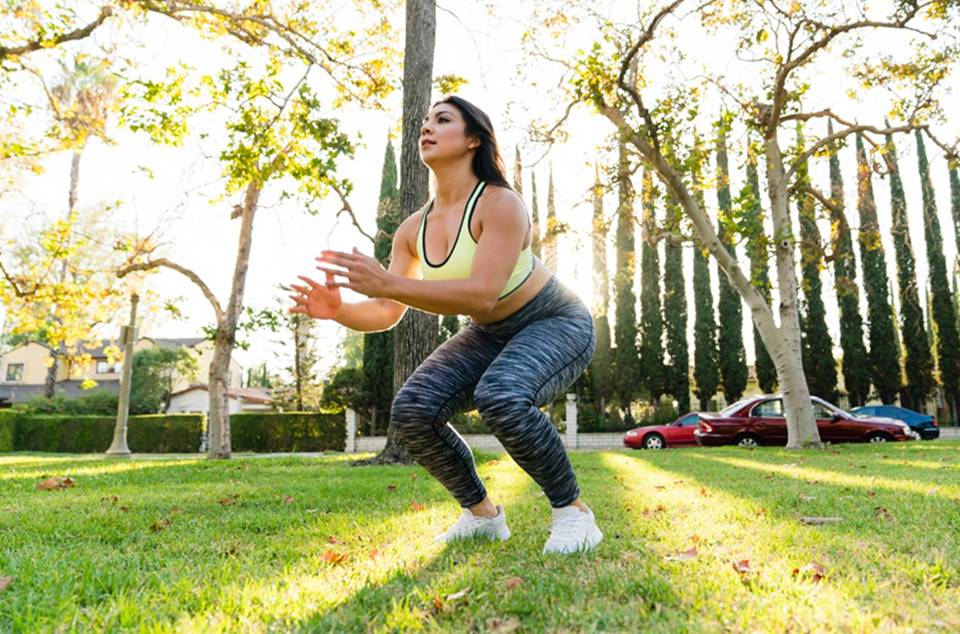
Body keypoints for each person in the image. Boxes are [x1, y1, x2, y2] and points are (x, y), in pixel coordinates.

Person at [288, 95, 601, 554]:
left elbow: (480, 293)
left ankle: (573, 513)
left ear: (473, 138)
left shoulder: (500, 204)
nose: (426, 128)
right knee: (413, 411)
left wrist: (388, 283)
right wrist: (339, 311)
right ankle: (482, 515)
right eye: (423, 123)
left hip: (554, 321)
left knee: (503, 395)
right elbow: (386, 311)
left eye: (442, 120)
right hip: (488, 332)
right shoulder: (412, 229)